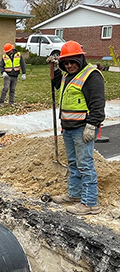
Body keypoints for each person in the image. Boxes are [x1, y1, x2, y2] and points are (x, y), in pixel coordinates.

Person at [48, 40, 105, 215]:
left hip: (83, 128)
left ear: (80, 58)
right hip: (69, 127)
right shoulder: (67, 75)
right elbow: (57, 83)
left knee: (85, 165)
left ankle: (89, 203)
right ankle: (74, 194)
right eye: (66, 62)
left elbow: (97, 103)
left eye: (72, 61)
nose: (69, 65)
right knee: (73, 163)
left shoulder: (91, 76)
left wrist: (92, 125)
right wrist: (54, 67)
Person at [0, 43, 26, 107]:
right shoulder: (4, 57)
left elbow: (23, 64)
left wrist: (24, 73)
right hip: (7, 75)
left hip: (15, 75)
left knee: (12, 89)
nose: (7, 53)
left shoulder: (18, 55)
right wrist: (3, 72)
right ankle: (1, 102)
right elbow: (1, 66)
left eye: (8, 51)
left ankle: (11, 102)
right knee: (5, 88)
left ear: (11, 50)